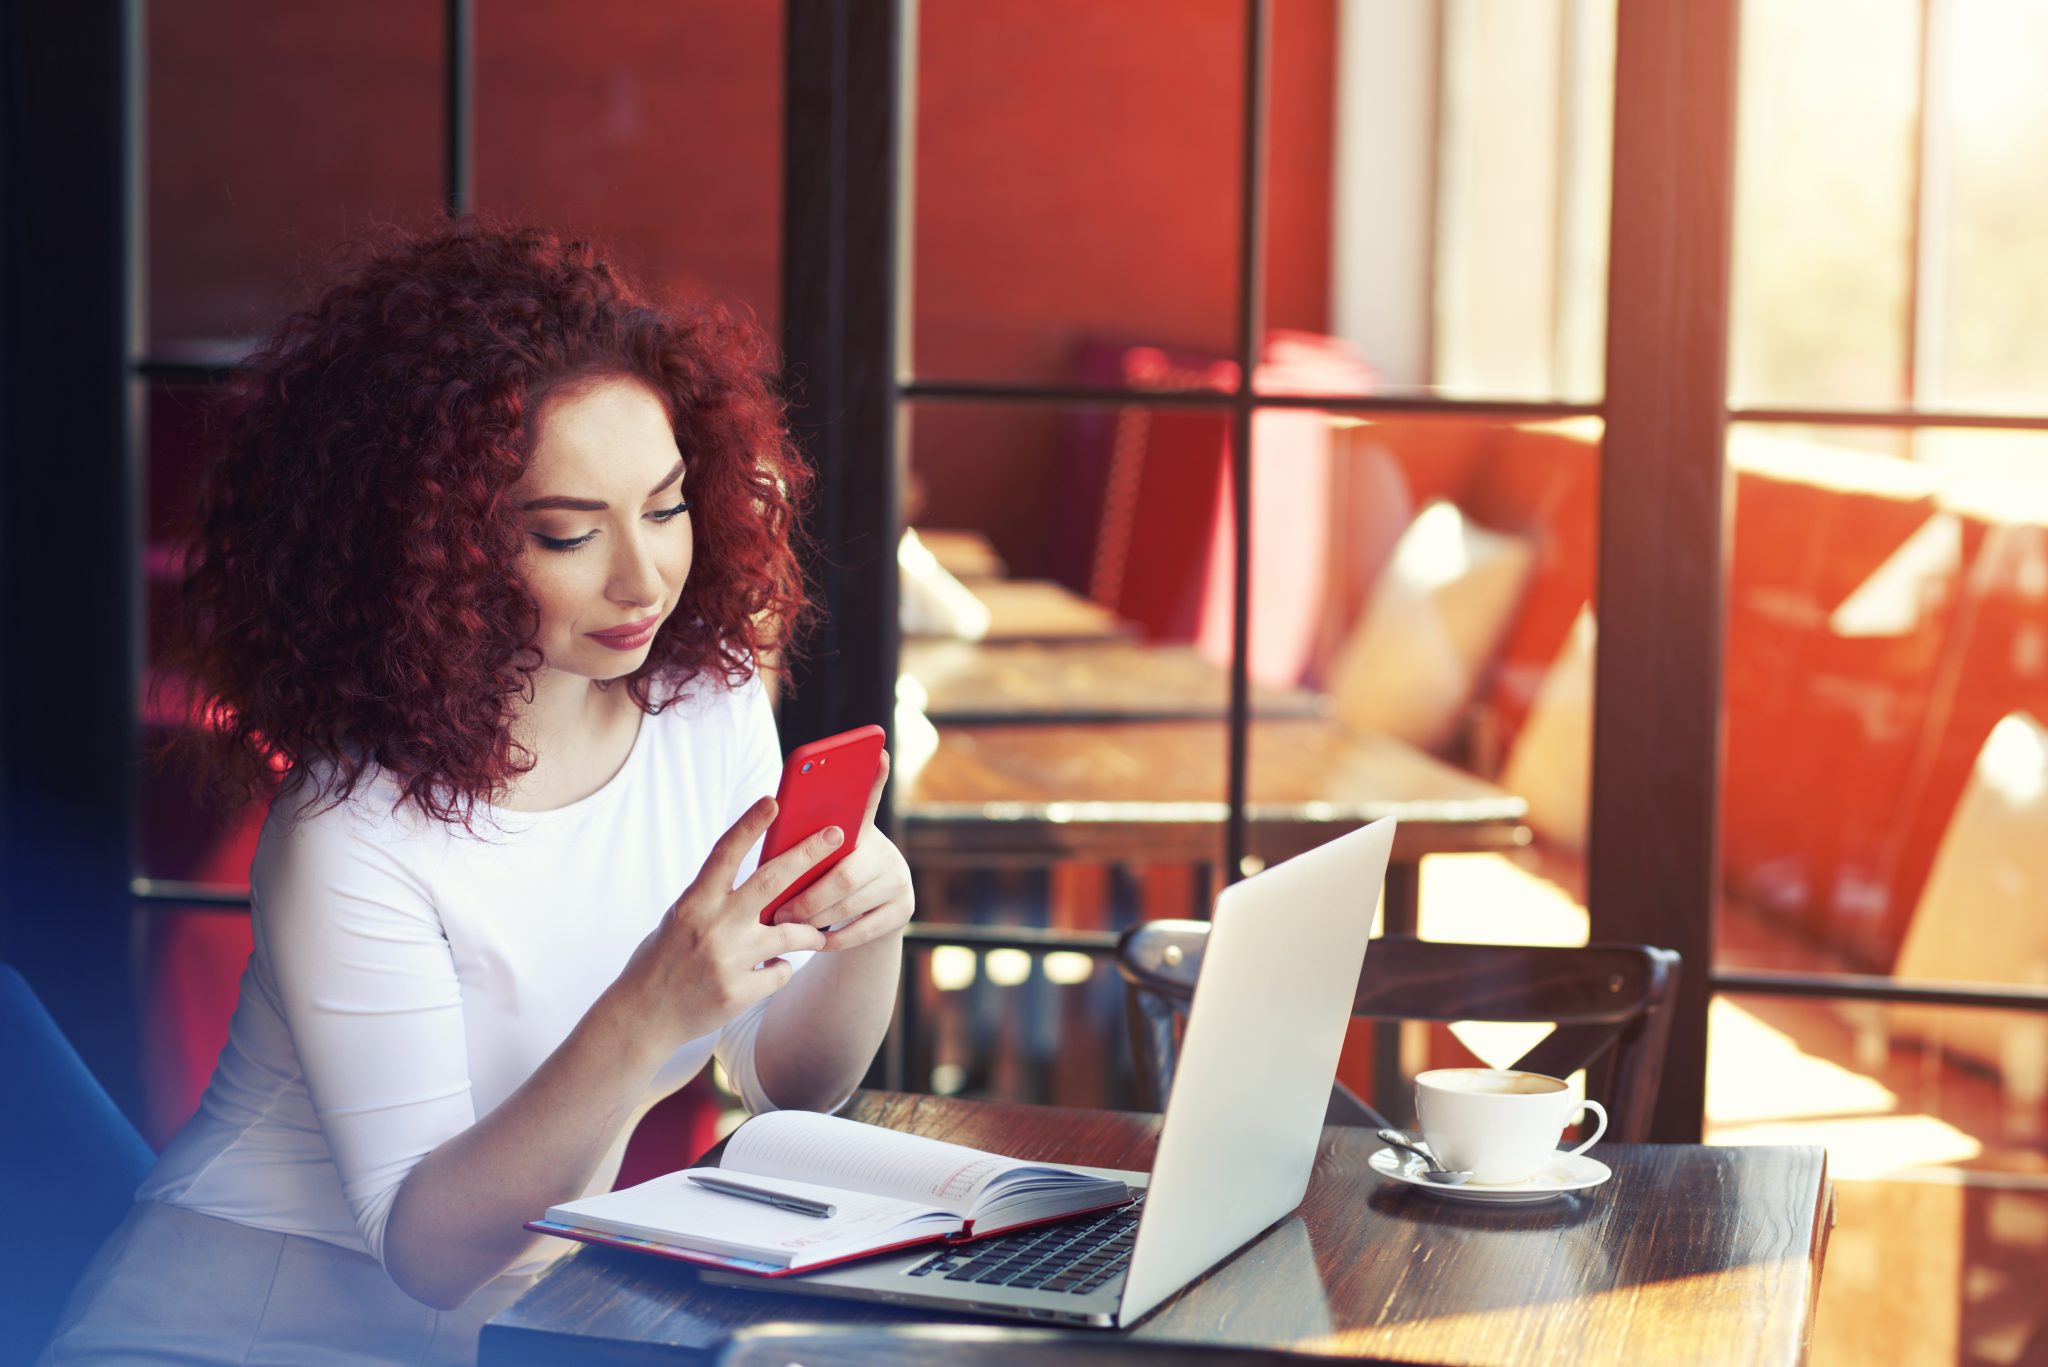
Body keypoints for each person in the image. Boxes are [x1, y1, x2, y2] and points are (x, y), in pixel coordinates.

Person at [41, 221, 913, 1365]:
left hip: (503, 1327)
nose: (642, 576)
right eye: (565, 533)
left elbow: (786, 1077)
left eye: (664, 507)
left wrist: (864, 928)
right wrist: (653, 1003)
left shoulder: (709, 701)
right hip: (234, 1329)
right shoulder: (349, 828)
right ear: (431, 546)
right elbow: (433, 1245)